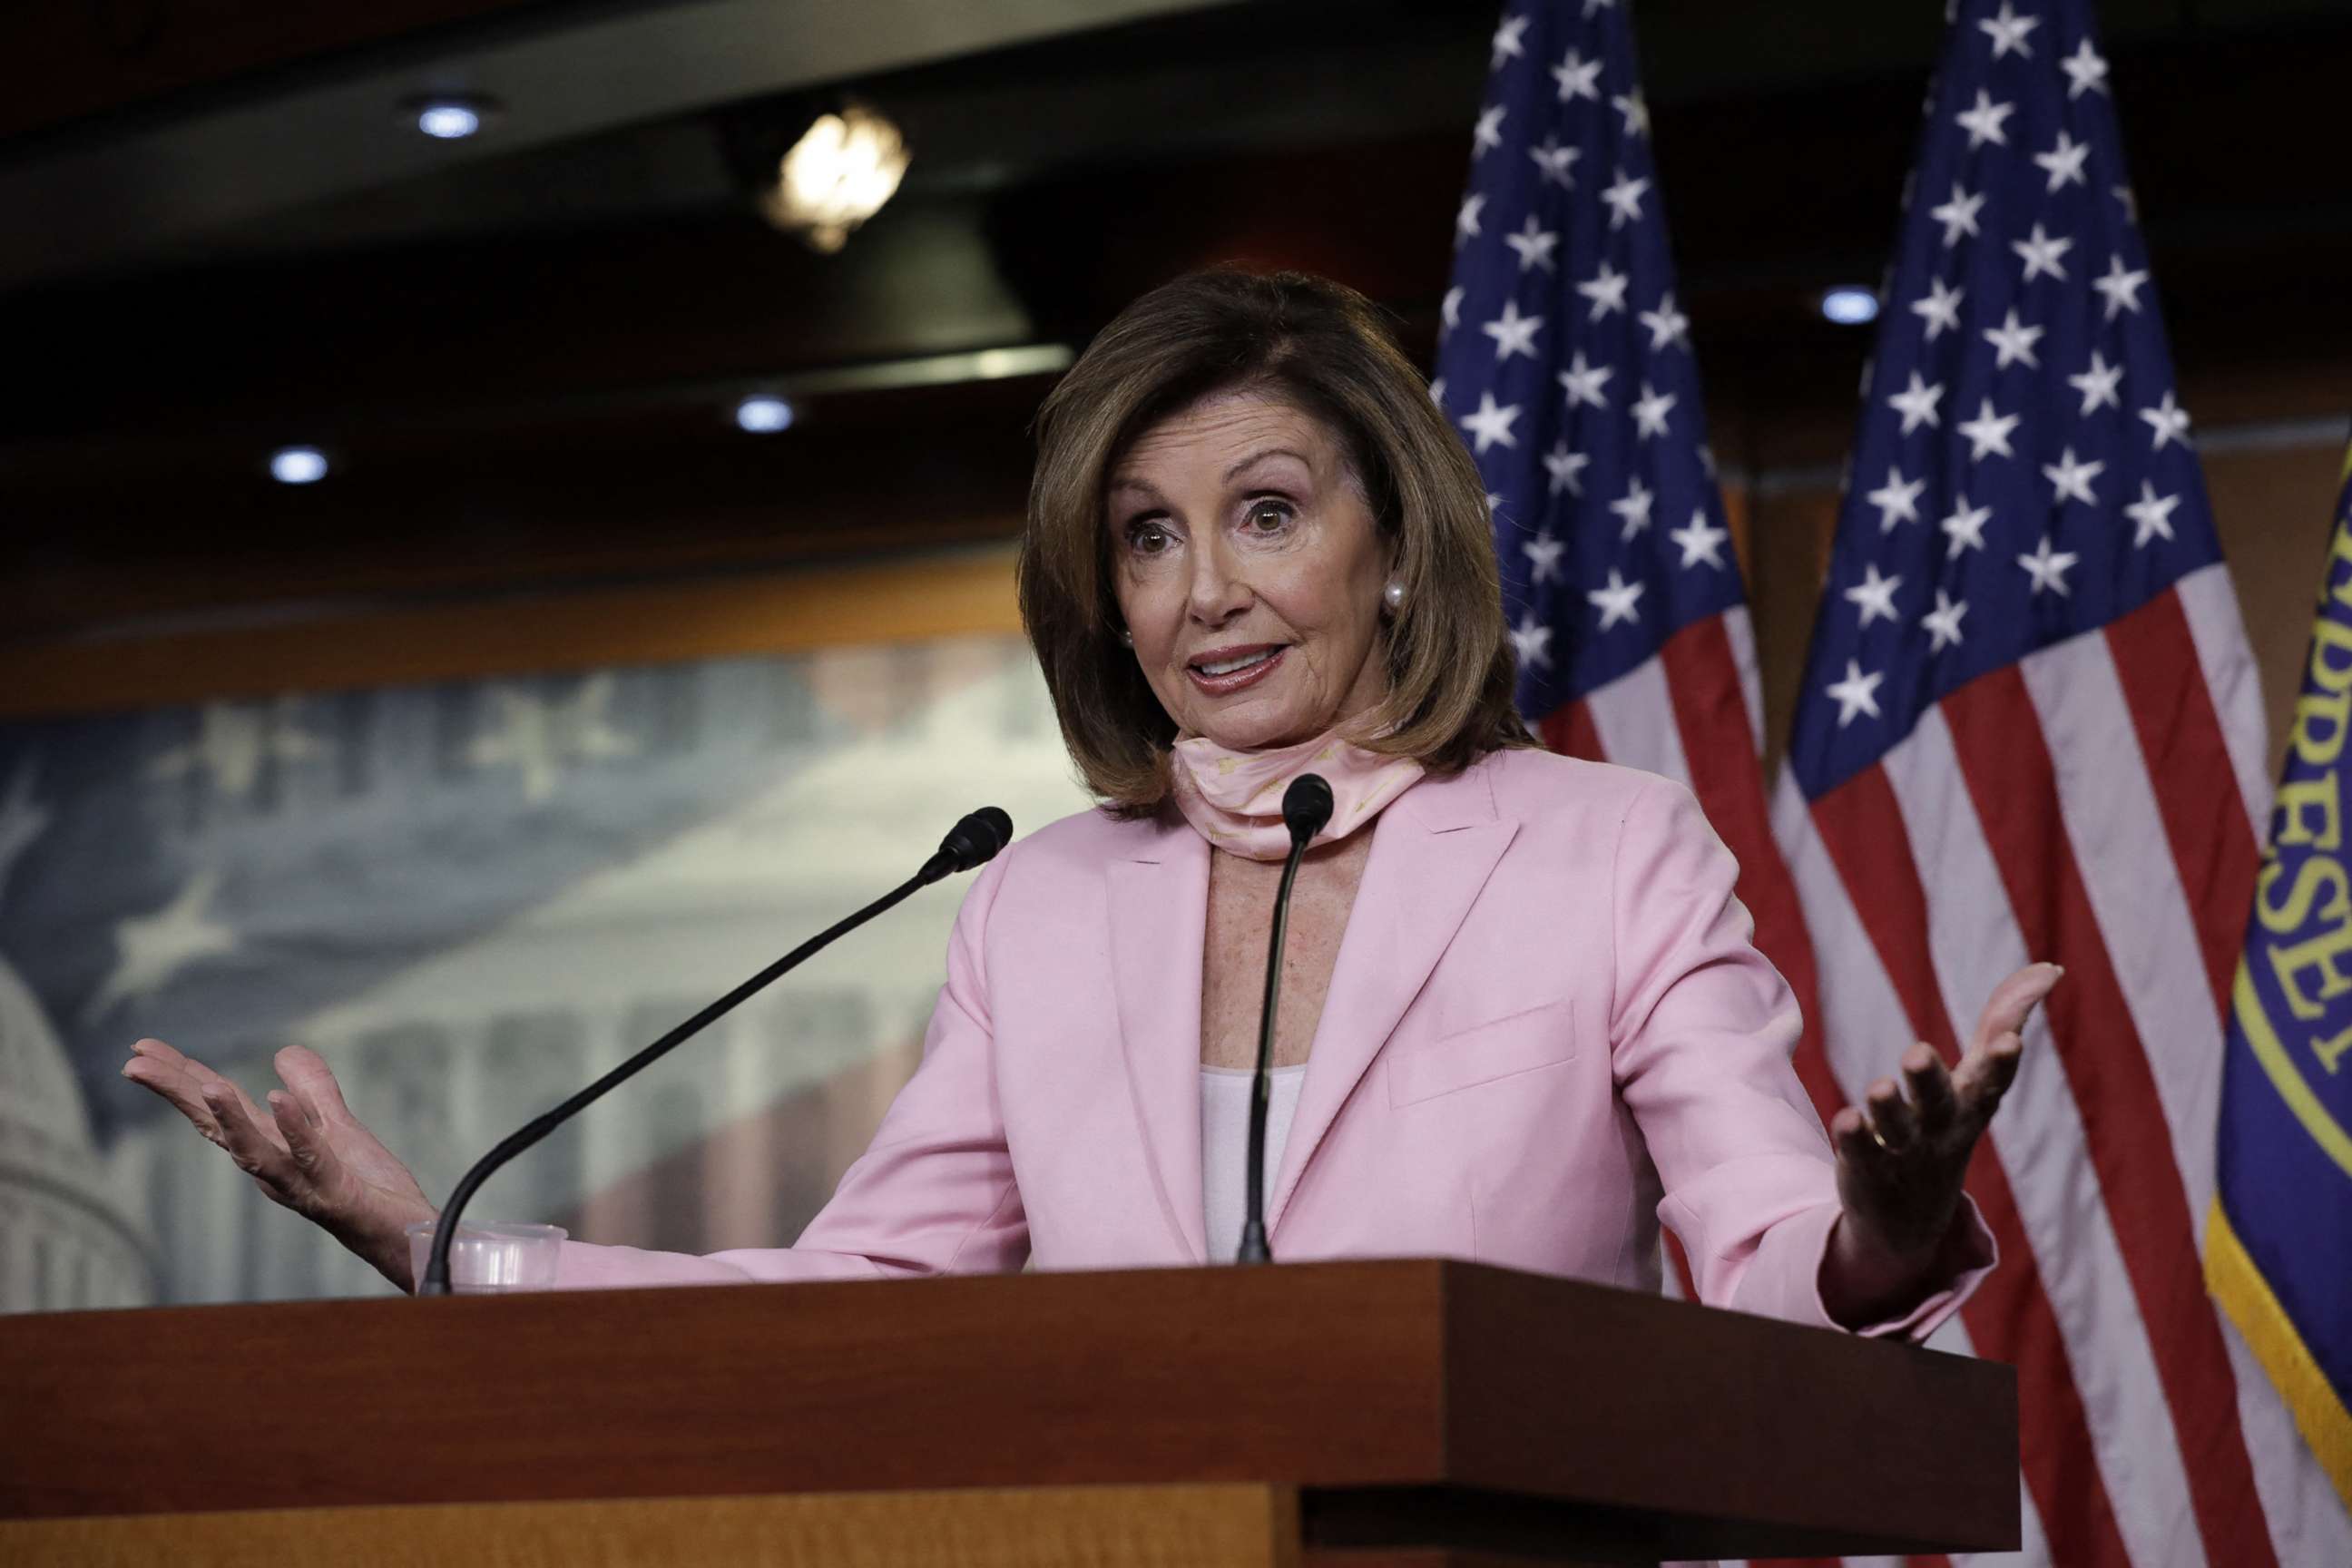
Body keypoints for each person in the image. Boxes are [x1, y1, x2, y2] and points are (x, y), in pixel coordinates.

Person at [123, 268, 2053, 1332]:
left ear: (1394, 548)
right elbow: (861, 1307)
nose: (1203, 587)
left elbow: (1772, 1251)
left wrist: (1883, 1224)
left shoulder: (1600, 852)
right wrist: (433, 1245)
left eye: (1266, 514)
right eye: (1147, 538)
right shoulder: (1039, 903)